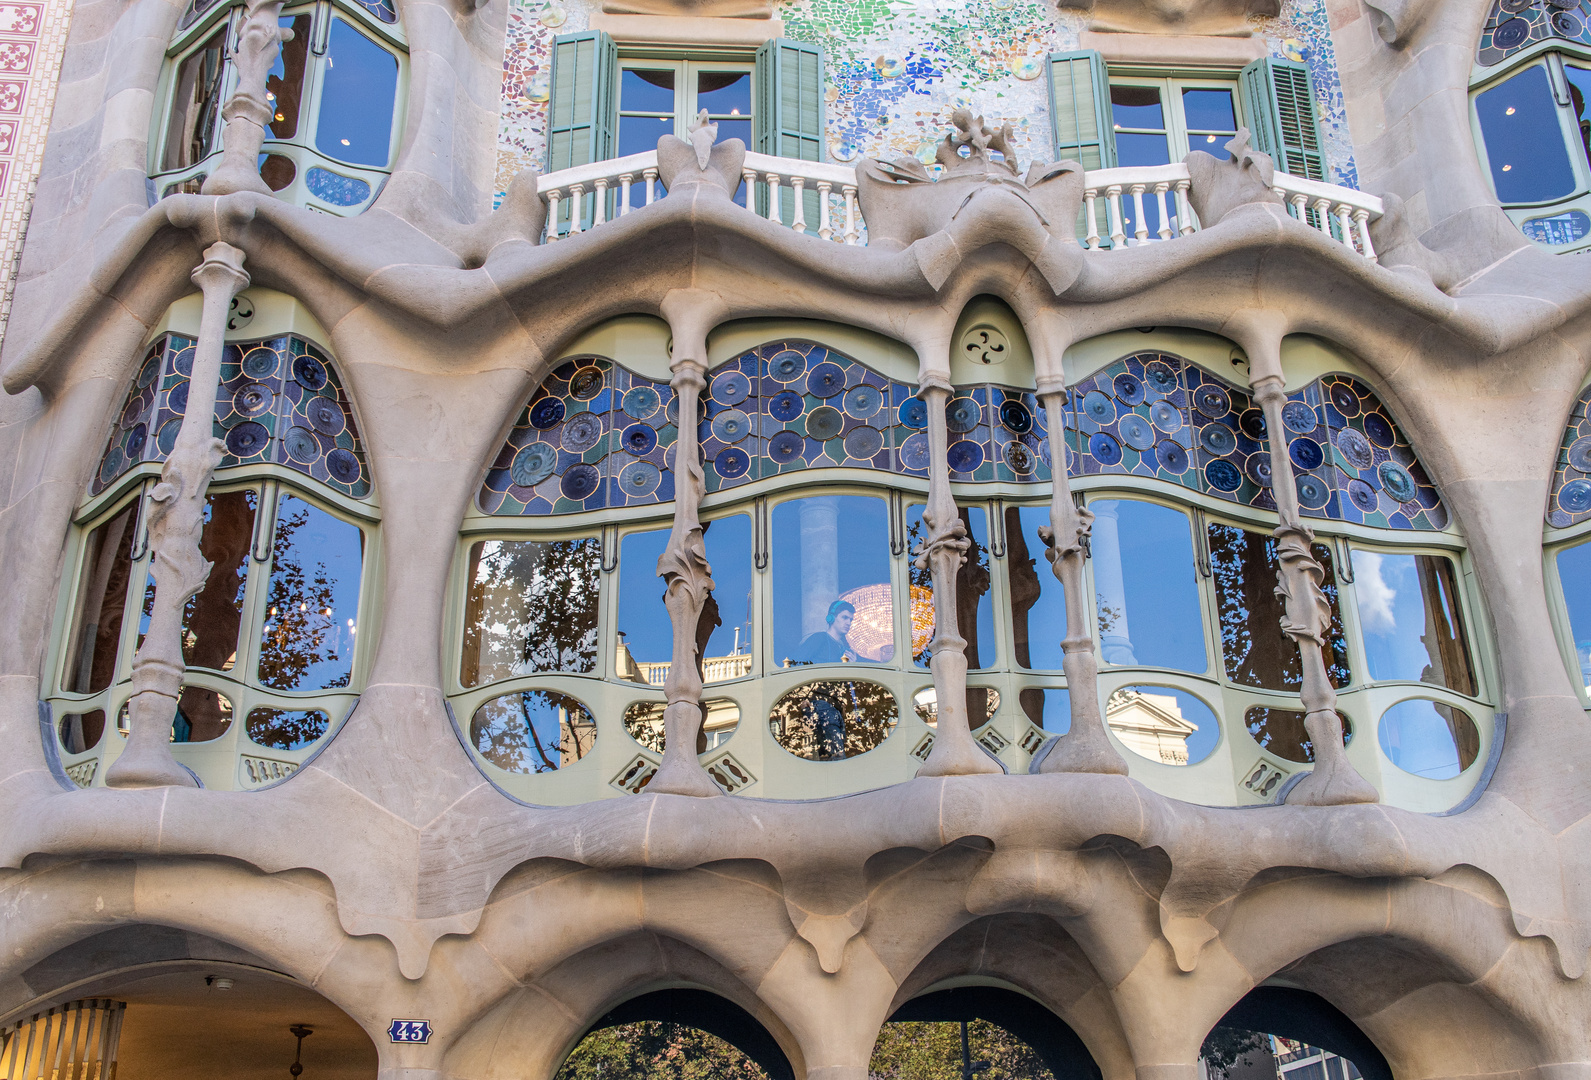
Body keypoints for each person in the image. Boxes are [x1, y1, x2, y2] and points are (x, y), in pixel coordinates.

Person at [795, 600, 857, 664]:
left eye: (851, 620)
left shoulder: (843, 648)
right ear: (831, 618)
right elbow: (794, 663)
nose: (849, 623)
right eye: (845, 617)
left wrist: (851, 665)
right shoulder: (818, 638)